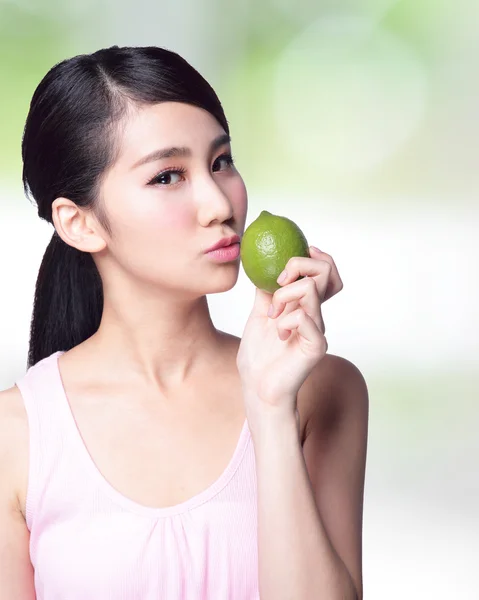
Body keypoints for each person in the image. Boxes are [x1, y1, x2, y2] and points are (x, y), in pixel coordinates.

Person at [0, 45, 369, 599]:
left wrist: (269, 406)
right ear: (79, 224)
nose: (219, 204)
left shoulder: (322, 390)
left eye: (221, 162)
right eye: (168, 175)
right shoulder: (16, 435)